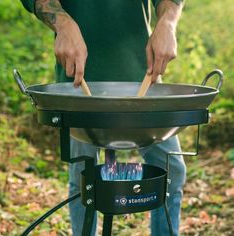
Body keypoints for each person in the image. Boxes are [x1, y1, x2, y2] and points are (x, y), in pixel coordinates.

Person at [20, 0, 185, 235]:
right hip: (79, 85)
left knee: (172, 170)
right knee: (82, 179)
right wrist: (64, 25)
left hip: (142, 82)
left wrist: (167, 23)